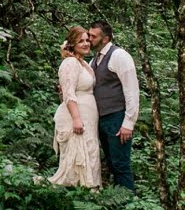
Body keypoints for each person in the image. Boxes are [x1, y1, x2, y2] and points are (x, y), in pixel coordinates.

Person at [88, 19, 139, 191]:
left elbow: (132, 90)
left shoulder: (119, 56)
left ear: (105, 39)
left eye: (93, 36)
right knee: (111, 162)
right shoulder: (94, 60)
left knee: (120, 163)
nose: (89, 39)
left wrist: (128, 123)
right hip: (101, 119)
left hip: (117, 117)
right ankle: (116, 199)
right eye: (89, 35)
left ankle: (128, 200)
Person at [48, 26, 101, 188]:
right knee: (78, 156)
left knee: (90, 152)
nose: (86, 44)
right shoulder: (70, 63)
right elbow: (69, 93)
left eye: (87, 40)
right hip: (76, 116)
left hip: (88, 116)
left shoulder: (82, 63)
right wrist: (76, 119)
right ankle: (77, 191)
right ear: (72, 44)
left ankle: (90, 190)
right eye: (81, 41)